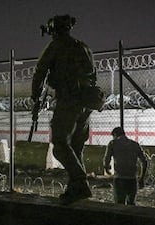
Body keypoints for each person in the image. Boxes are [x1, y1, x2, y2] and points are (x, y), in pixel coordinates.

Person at [31, 15, 97, 205]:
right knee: (76, 147)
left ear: (53, 30)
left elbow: (40, 72)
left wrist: (36, 97)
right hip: (86, 102)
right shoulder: (83, 46)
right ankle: (75, 189)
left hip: (68, 101)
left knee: (60, 145)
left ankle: (80, 183)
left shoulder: (56, 46)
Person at [103, 127, 148, 205]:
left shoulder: (113, 143)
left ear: (115, 134)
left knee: (119, 204)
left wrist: (107, 169)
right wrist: (141, 178)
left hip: (119, 178)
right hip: (132, 179)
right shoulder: (135, 144)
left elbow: (106, 160)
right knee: (131, 204)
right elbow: (144, 162)